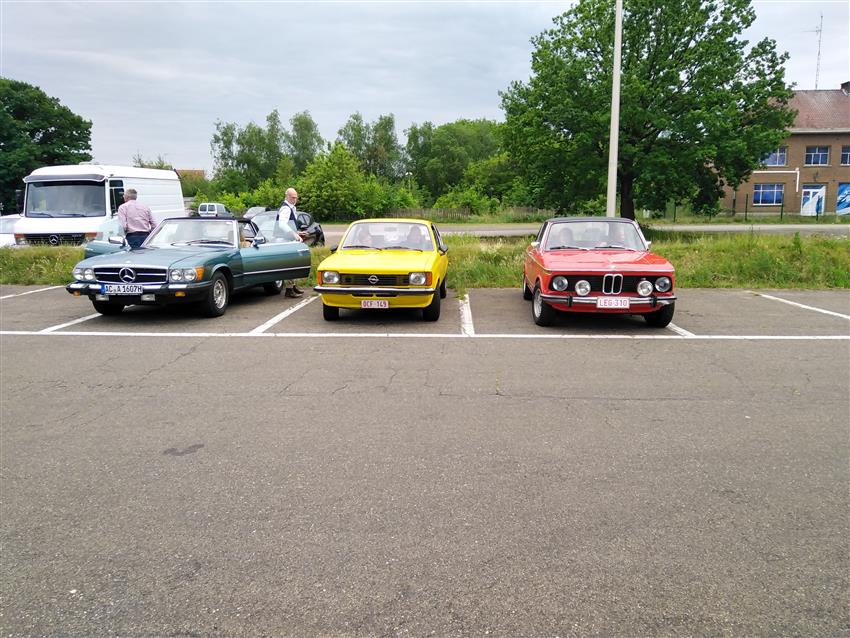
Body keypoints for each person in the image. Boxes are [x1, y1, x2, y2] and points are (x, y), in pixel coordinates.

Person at [277, 187, 305, 297]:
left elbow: (289, 225)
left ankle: (293, 287)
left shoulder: (291, 208)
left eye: (296, 198)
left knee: (293, 263)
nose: (295, 200)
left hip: (288, 239)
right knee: (289, 264)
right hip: (284, 240)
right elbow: (282, 224)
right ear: (287, 196)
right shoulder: (286, 208)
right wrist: (294, 234)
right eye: (293, 197)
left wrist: (297, 232)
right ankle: (289, 290)